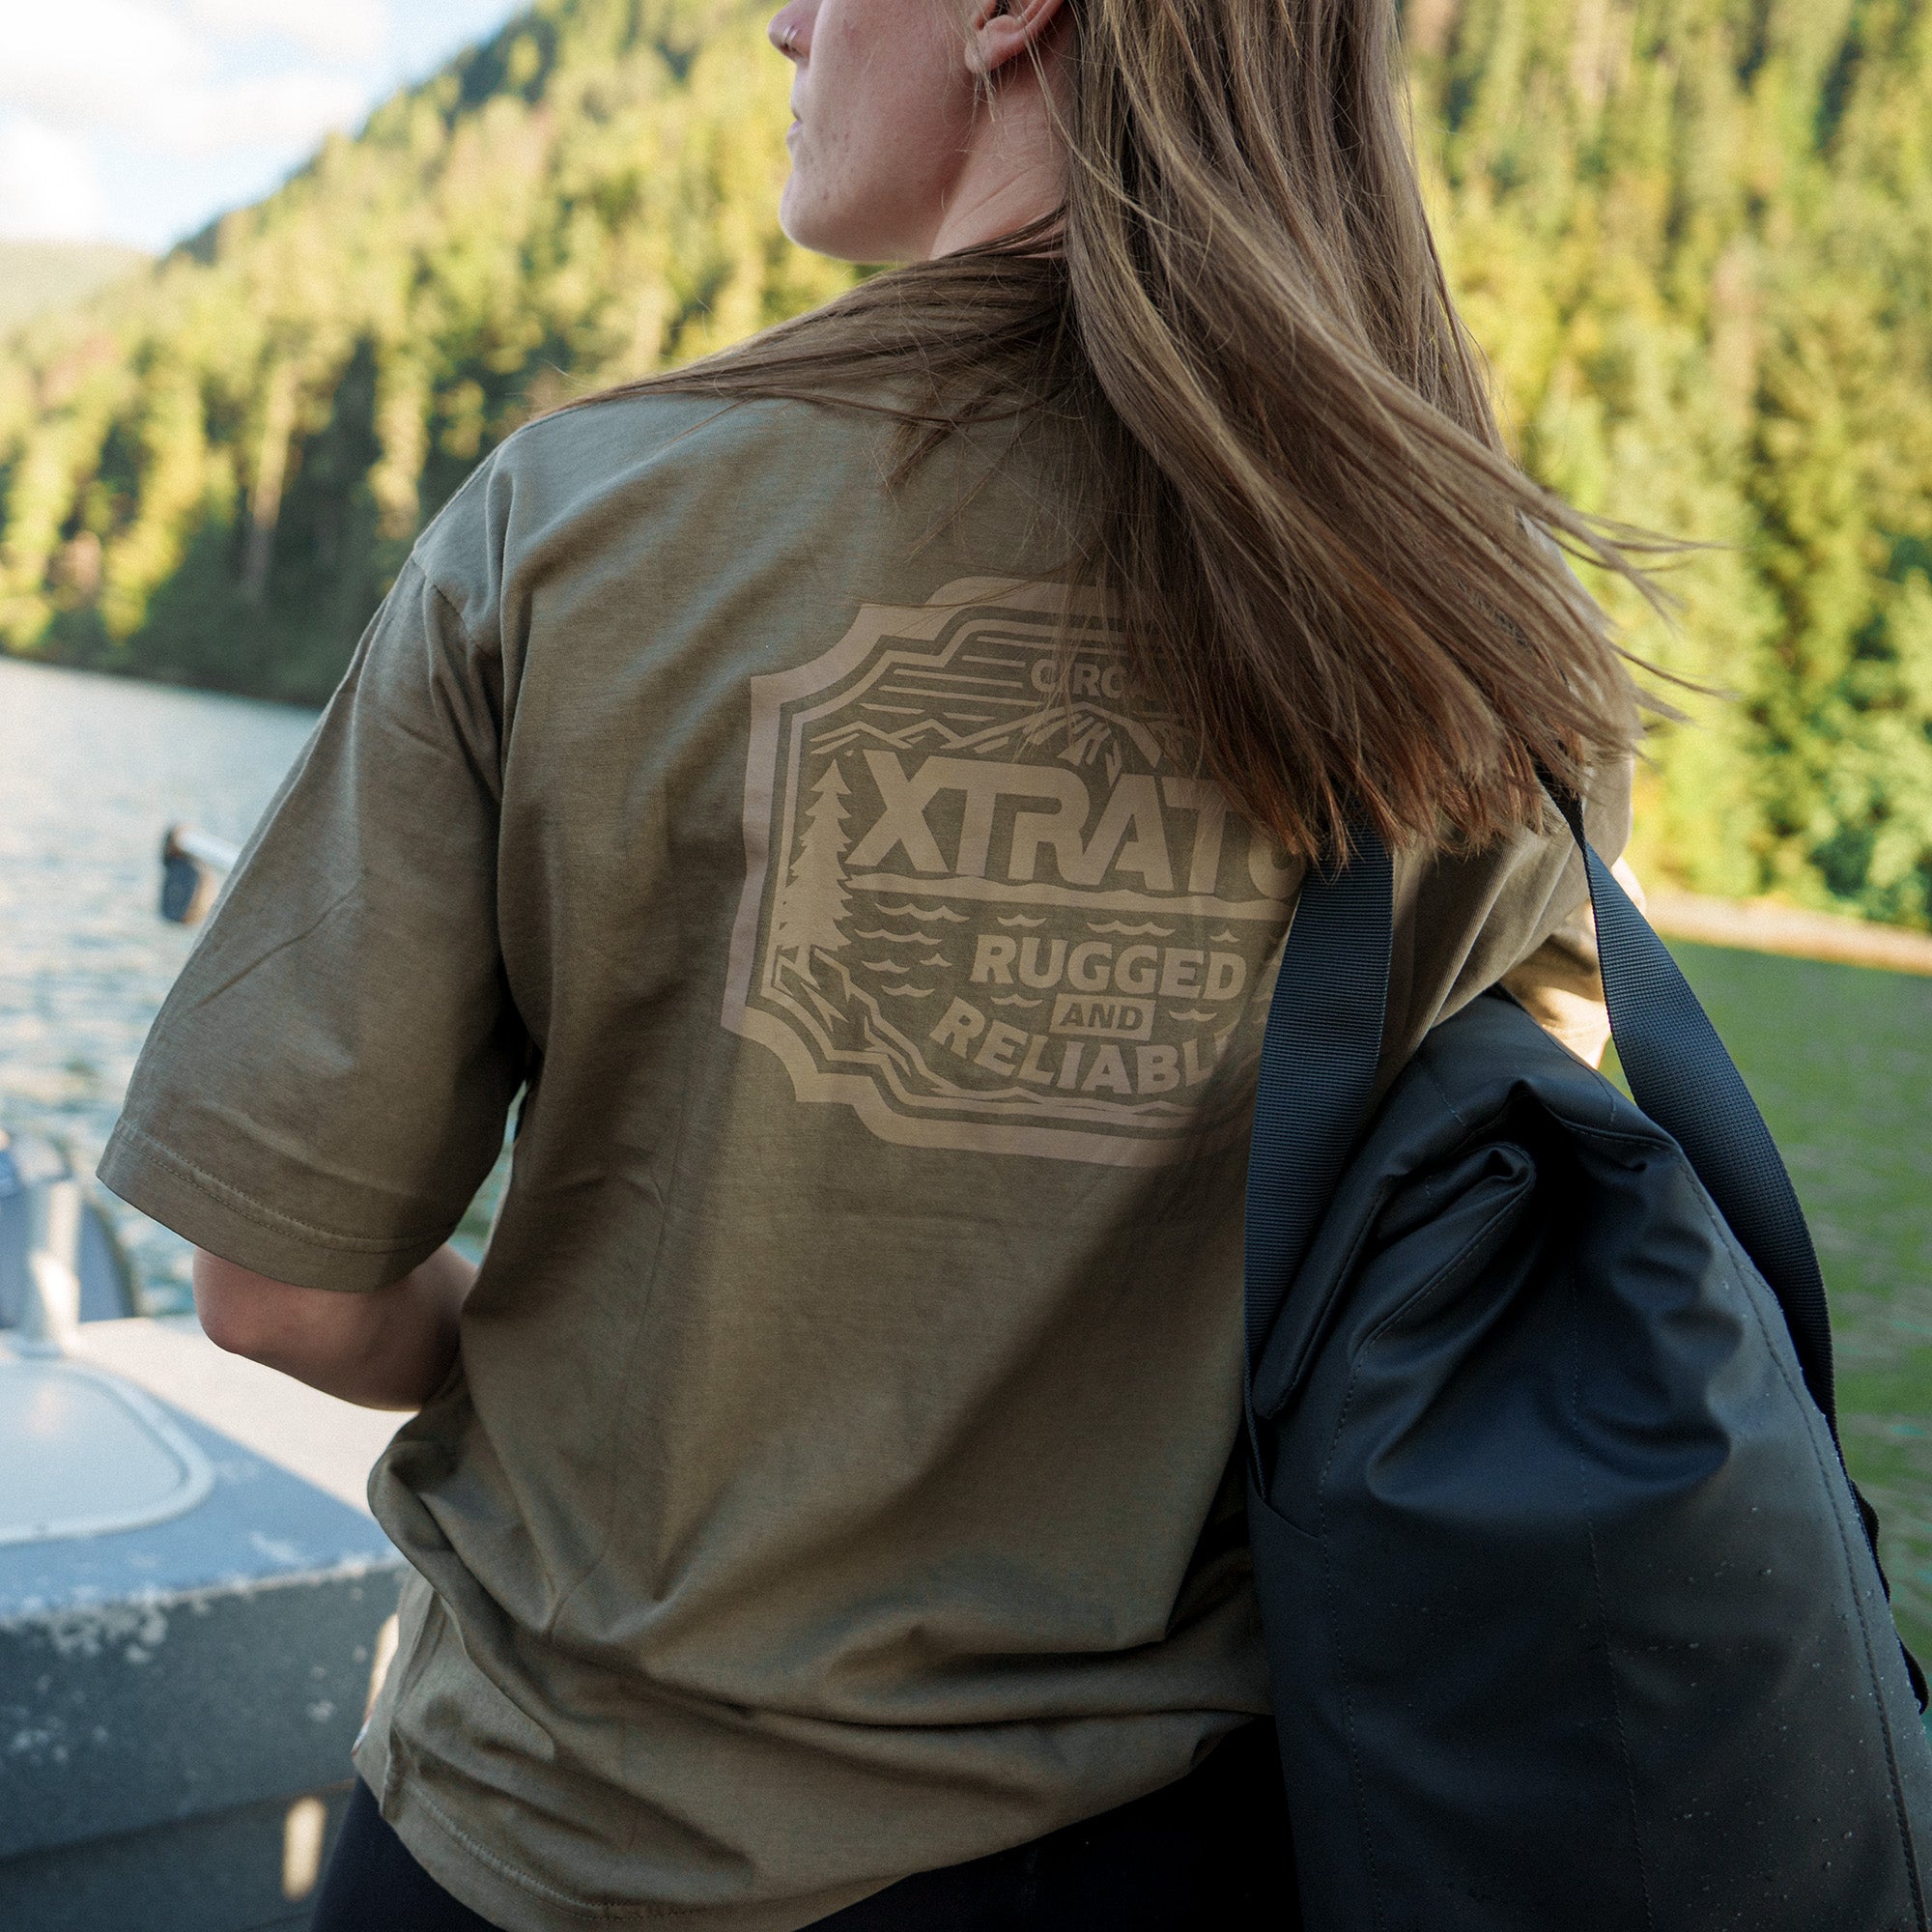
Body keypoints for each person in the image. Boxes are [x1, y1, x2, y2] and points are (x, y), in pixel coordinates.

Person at [99, 2, 1652, 1927]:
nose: (783, 22)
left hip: (546, 1843)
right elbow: (1479, 1307)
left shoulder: (586, 521)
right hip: (1167, 1864)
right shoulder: (1498, 655)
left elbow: (276, 1291)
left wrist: (583, 1398)